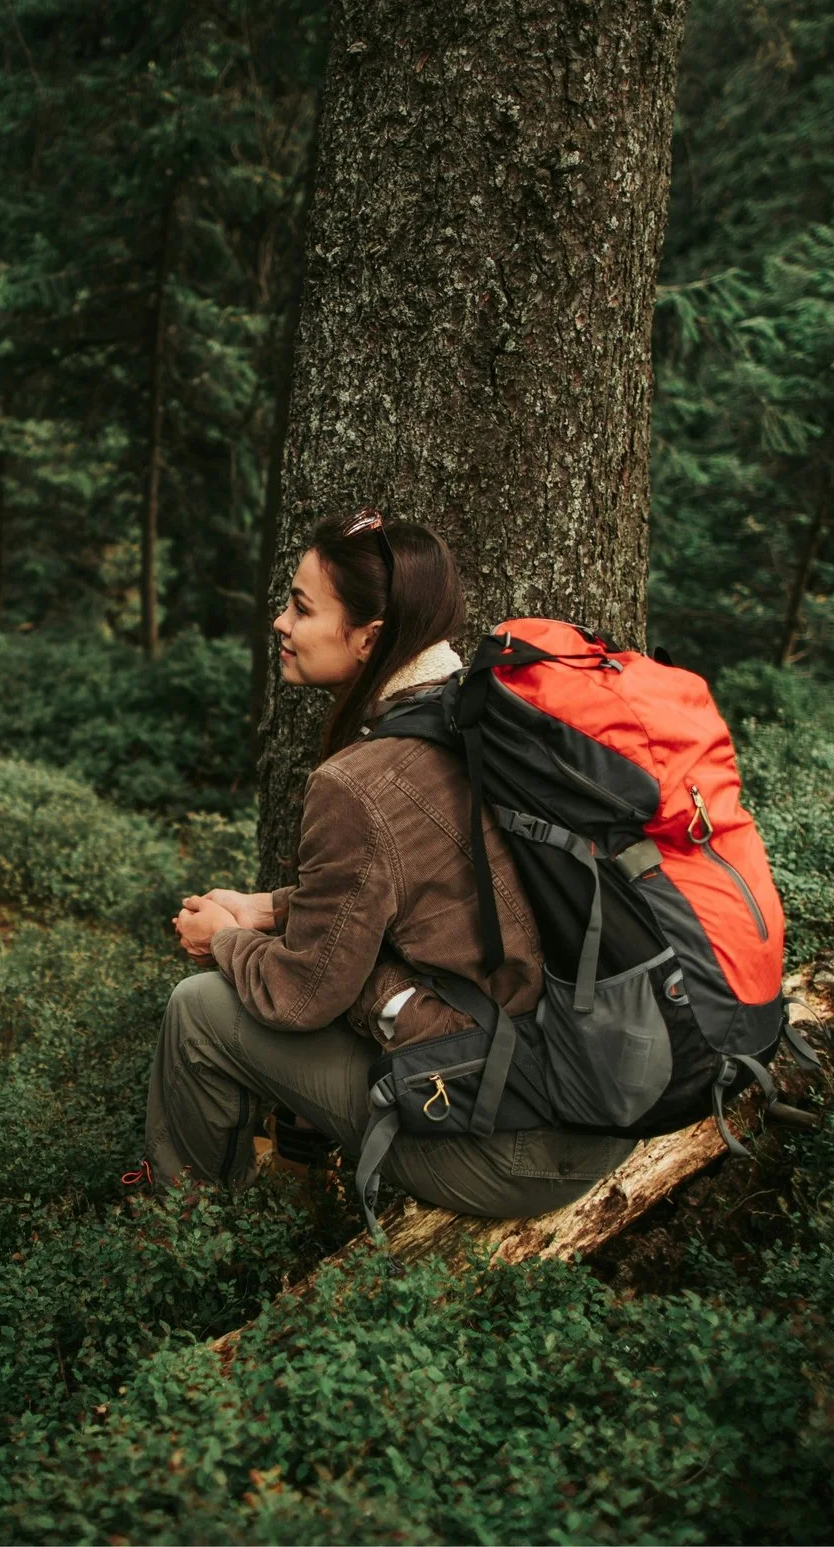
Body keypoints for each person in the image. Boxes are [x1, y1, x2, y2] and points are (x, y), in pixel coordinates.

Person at [149, 509, 636, 1217]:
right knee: (357, 986)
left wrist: (223, 938)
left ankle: (190, 1238)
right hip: (597, 1104)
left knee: (199, 1010)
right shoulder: (481, 716)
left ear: (370, 638)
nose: (281, 623)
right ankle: (296, 1178)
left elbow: (300, 994)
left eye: (302, 607)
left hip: (516, 1148)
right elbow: (403, 889)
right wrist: (270, 909)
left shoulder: (359, 782)